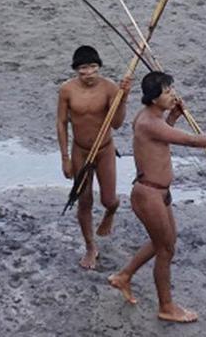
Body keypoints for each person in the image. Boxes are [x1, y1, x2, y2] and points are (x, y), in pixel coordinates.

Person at [108, 71, 206, 323]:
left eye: (172, 90)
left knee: (166, 243)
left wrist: (173, 117)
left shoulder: (152, 118)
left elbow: (160, 137)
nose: (173, 95)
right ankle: (166, 307)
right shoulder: (148, 121)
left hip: (159, 193)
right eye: (167, 92)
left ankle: (124, 276)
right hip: (148, 195)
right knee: (165, 249)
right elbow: (192, 141)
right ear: (153, 97)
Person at [57, 45, 132, 269]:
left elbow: (117, 124)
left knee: (108, 199)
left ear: (98, 67)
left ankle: (111, 211)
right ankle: (91, 247)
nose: (88, 73)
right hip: (80, 151)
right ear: (76, 70)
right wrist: (65, 158)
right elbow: (61, 123)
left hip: (105, 149)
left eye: (92, 68)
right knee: (84, 201)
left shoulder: (109, 88)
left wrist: (124, 97)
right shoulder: (67, 90)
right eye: (83, 69)